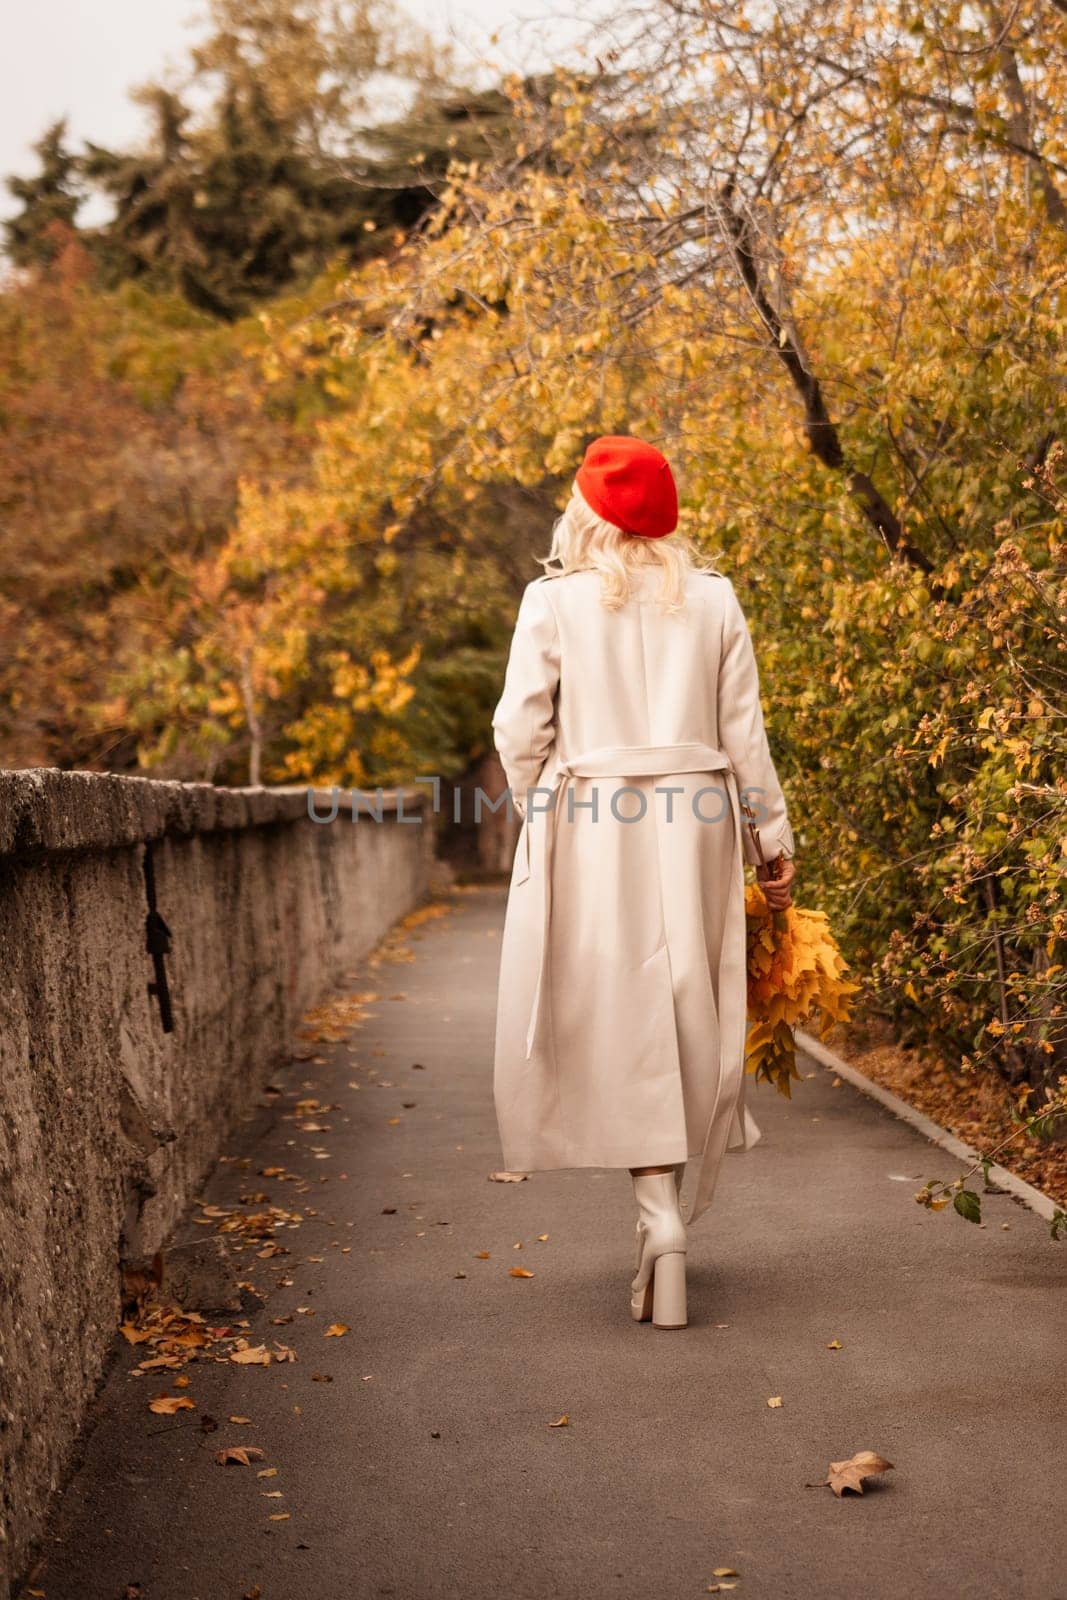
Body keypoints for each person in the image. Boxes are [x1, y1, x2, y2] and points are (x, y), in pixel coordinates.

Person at [490, 436, 796, 1330]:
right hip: (697, 819)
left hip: (592, 818)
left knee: (615, 1007)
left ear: (582, 512)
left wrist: (538, 809)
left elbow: (519, 731)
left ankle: (658, 1213)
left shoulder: (552, 603)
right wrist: (768, 844)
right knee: (681, 1000)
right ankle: (662, 1211)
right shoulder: (713, 600)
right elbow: (745, 734)